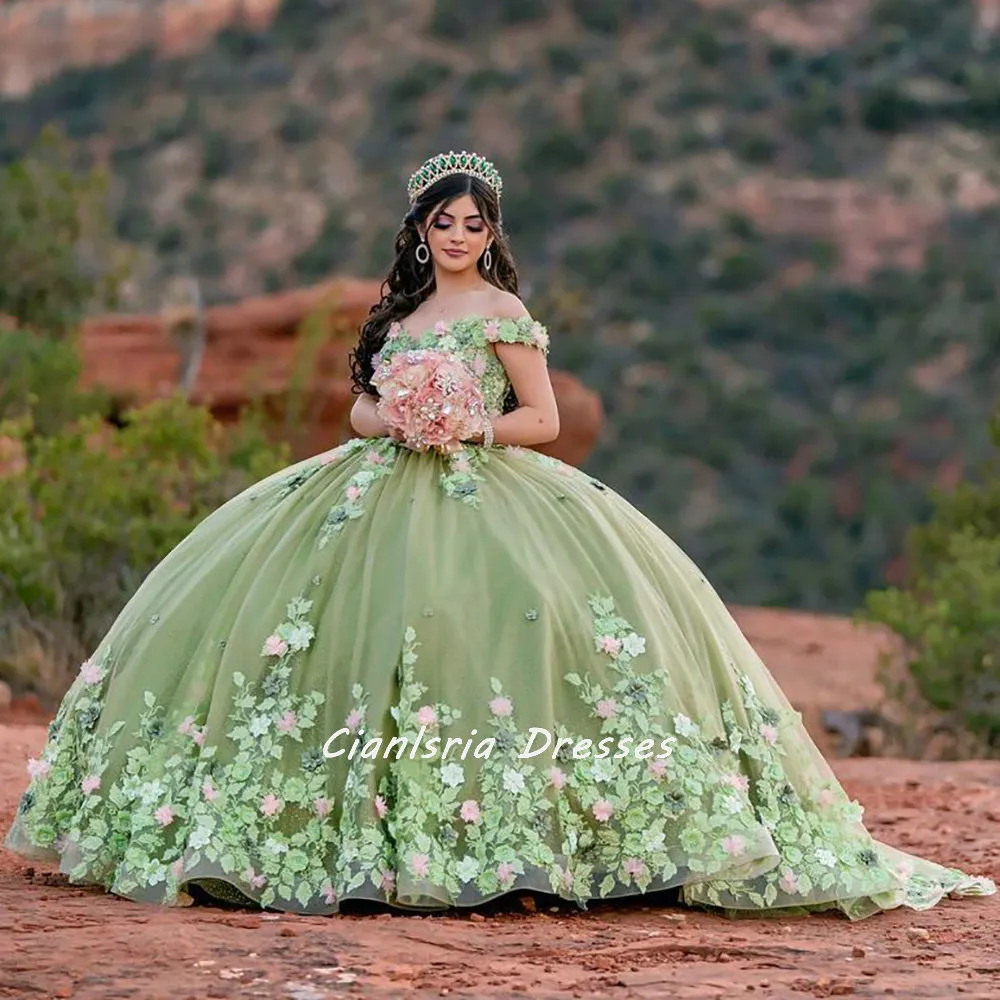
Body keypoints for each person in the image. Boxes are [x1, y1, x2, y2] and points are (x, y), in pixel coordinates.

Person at [5, 151, 994, 920]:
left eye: (473, 224)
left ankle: (533, 836)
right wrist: (397, 420)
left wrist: (462, 424)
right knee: (330, 637)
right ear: (420, 227)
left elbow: (543, 421)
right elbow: (357, 412)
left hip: (490, 487)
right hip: (377, 484)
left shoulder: (504, 312)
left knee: (497, 636)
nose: (457, 236)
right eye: (443, 221)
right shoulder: (400, 310)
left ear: (490, 232)